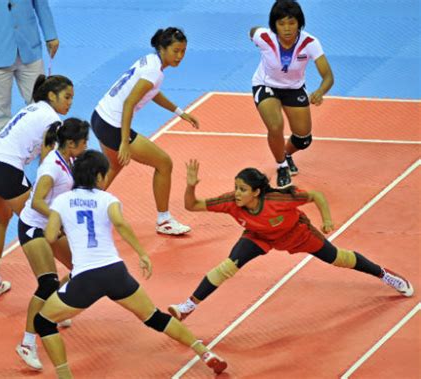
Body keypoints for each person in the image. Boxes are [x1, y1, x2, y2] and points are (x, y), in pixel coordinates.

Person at [33, 151, 227, 378]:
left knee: (43, 322)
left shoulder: (61, 201)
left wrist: (65, 227)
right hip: (116, 272)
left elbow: (49, 236)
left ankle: (65, 376)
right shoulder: (108, 199)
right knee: (154, 317)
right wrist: (142, 253)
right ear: (98, 176)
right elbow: (121, 224)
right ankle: (204, 352)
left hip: (85, 278)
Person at [168, 160, 414, 321]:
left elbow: (316, 195)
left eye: (242, 189)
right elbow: (192, 205)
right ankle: (187, 307)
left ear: (256, 192)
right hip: (259, 236)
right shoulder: (232, 202)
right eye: (236, 187)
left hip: (298, 234)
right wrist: (190, 186)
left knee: (339, 259)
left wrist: (327, 220)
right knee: (227, 267)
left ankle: (384, 274)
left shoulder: (278, 200)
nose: (237, 193)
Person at [91, 27, 198, 236]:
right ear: (163, 48)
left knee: (113, 165)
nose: (180, 56)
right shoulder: (153, 71)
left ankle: (83, 208)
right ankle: (164, 220)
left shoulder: (150, 61)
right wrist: (124, 141)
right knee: (164, 163)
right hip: (113, 125)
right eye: (176, 51)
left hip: (99, 117)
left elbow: (152, 92)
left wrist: (179, 112)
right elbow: (130, 103)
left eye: (183, 51)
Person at [0, 74, 74, 300]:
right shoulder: (52, 120)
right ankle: (70, 274)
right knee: (41, 222)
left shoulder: (32, 108)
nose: (70, 102)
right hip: (6, 171)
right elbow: (49, 163)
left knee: (0, 220)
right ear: (52, 95)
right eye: (66, 97)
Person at [15, 118, 89, 370]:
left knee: (81, 267)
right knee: (47, 283)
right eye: (84, 142)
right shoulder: (51, 168)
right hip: (35, 226)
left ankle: (55, 308)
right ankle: (27, 342)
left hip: (53, 225)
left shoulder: (69, 159)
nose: (86, 145)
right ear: (70, 143)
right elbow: (36, 202)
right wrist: (63, 219)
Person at [249, 0, 334, 188]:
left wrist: (320, 91)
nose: (287, 28)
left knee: (303, 139)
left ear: (299, 23)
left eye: (291, 22)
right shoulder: (264, 37)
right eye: (281, 23)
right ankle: (281, 166)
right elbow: (253, 31)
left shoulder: (310, 43)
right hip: (266, 85)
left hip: (294, 88)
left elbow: (328, 76)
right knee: (275, 126)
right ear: (274, 25)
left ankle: (285, 154)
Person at [0, 0, 60, 138]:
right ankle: (2, 152)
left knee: (41, 103)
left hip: (29, 47)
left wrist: (51, 35)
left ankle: (47, 145)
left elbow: (41, 3)